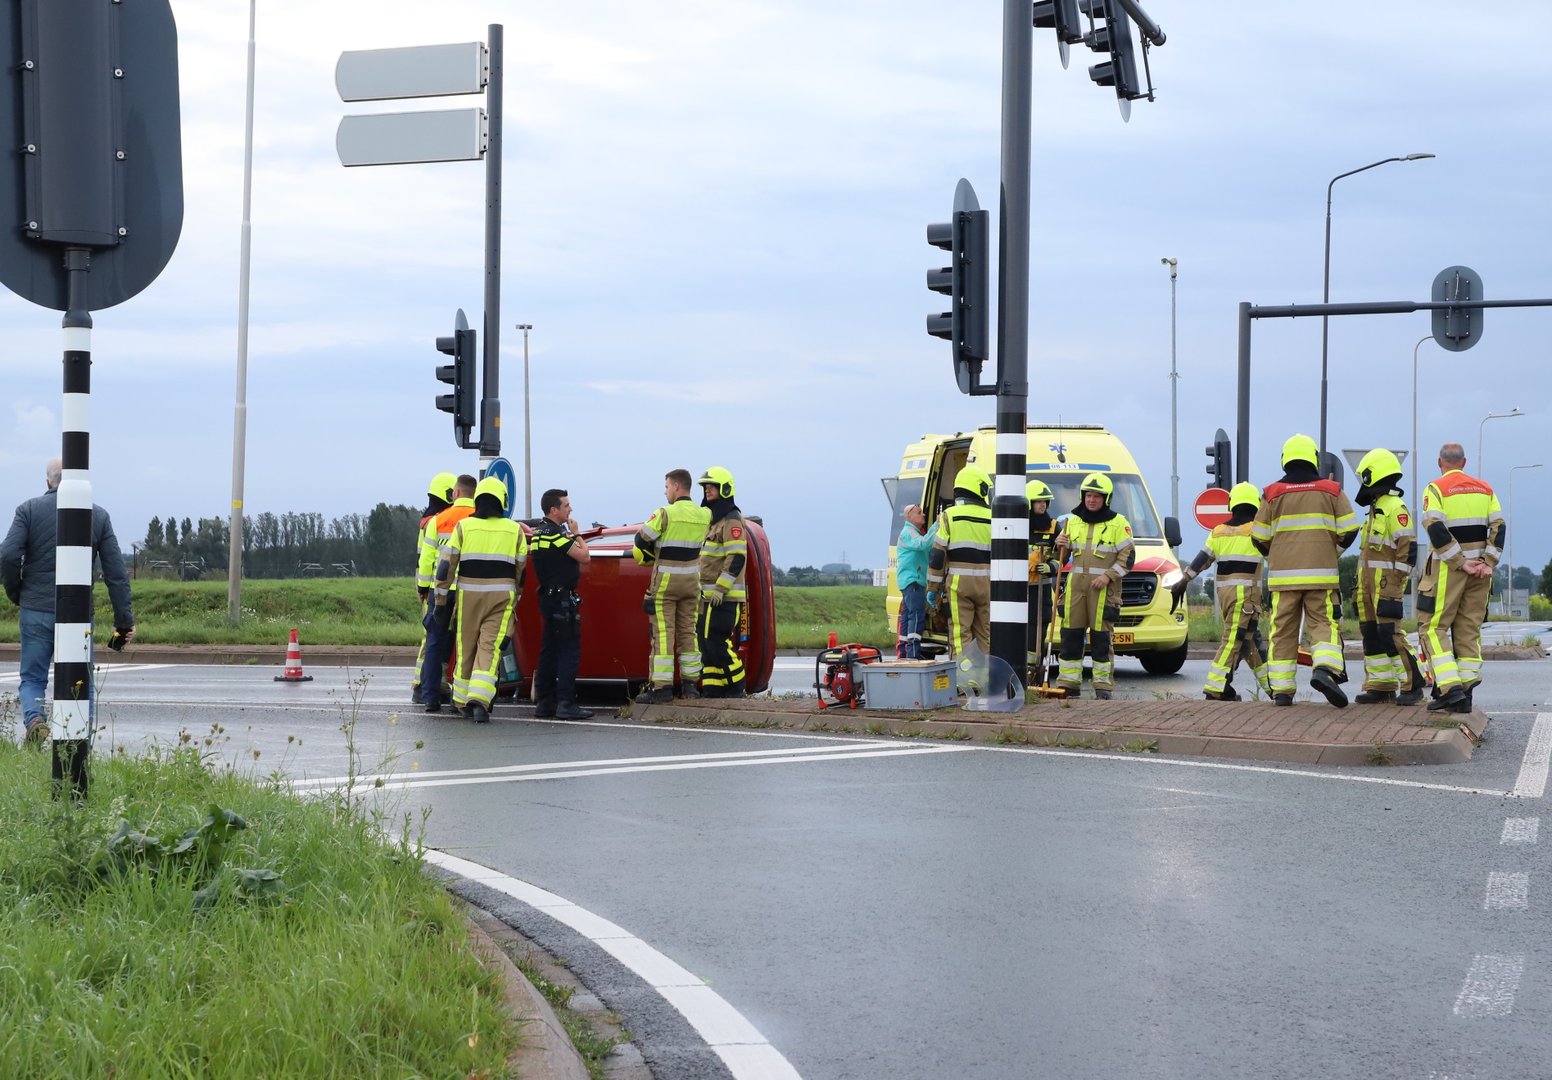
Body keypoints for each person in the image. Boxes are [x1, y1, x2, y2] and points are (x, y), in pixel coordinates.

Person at [1, 458, 135, 743]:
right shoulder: (98, 516)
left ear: (48, 482)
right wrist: (124, 622)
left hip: (36, 609)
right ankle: (79, 742)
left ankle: (35, 719)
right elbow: (116, 574)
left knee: (33, 678)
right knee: (80, 680)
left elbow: (8, 555)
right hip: (77, 614)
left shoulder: (28, 510)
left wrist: (18, 593)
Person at [1251, 434, 1358, 707]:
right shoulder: (1331, 490)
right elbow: (1349, 530)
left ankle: (1284, 692)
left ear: (1285, 459)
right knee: (1323, 624)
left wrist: (1277, 556)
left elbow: (1258, 538)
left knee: (1282, 631)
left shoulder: (1271, 493)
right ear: (1313, 458)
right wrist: (1331, 552)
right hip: (1321, 576)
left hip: (1283, 579)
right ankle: (1323, 670)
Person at [430, 476, 527, 724]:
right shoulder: (514, 530)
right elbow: (520, 571)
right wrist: (515, 598)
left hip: (468, 595)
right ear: (501, 500)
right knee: (489, 648)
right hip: (501, 597)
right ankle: (480, 702)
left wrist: (440, 602)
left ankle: (461, 700)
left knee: (466, 647)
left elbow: (445, 568)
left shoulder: (464, 527)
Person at [1417, 442, 1503, 713]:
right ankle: (1464, 696)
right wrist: (1488, 561)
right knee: (1468, 629)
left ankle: (1449, 687)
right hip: (1481, 570)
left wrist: (1459, 561)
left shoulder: (1436, 488)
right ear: (1464, 463)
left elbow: (1435, 526)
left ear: (1439, 462)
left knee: (1432, 627)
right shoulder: (1485, 489)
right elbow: (1498, 526)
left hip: (1448, 570)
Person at [1169, 481, 1270, 701]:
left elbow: (1201, 560)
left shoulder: (1218, 532)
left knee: (1250, 642)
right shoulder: (1257, 531)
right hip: (1247, 600)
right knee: (1233, 640)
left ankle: (1273, 688)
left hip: (1226, 599)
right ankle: (1215, 687)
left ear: (1232, 504)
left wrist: (1184, 580)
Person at [1352, 448, 1426, 706]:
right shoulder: (1375, 509)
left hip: (1386, 585)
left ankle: (1413, 684)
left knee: (1390, 633)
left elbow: (1408, 549)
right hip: (1367, 586)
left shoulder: (1395, 507)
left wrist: (1396, 583)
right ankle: (1380, 685)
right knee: (1370, 634)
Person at [633, 469, 711, 704]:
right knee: (689, 633)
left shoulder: (665, 513)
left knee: (663, 634)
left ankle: (662, 688)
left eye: (666, 486)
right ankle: (690, 686)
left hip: (666, 583)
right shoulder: (704, 514)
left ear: (677, 487)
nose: (665, 491)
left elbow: (641, 538)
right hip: (691, 582)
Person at [1054, 472, 1134, 700]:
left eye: (1097, 497)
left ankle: (1102, 687)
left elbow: (1127, 559)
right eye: (1088, 496)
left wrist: (1108, 576)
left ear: (1106, 499)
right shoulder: (1071, 521)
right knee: (1070, 636)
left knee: (1101, 639)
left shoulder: (1119, 524)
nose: (1091, 500)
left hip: (1103, 591)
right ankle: (1068, 684)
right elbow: (1059, 558)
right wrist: (1058, 543)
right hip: (1075, 590)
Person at [528, 487, 592, 720]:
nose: (570, 509)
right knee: (568, 651)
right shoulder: (555, 534)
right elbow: (584, 556)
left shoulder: (538, 534)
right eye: (566, 506)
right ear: (554, 510)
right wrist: (576, 534)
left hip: (548, 597)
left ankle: (545, 702)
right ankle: (566, 702)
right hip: (562, 599)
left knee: (549, 650)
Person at [419, 474, 477, 714]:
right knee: (465, 644)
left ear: (455, 493)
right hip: (469, 589)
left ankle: (430, 698)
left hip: (441, 590)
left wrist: (423, 588)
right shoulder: (478, 519)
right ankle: (460, 699)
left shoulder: (439, 520)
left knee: (434, 642)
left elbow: (427, 559)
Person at [927, 465, 993, 657]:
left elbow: (938, 555)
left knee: (960, 636)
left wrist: (933, 588)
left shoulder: (949, 516)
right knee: (985, 635)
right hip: (987, 584)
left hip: (958, 585)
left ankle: (965, 684)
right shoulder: (993, 517)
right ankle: (983, 681)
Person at [696, 467, 748, 697]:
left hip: (723, 598)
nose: (707, 489)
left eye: (712, 485)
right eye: (705, 486)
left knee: (716, 643)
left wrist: (720, 589)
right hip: (707, 598)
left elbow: (736, 557)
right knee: (705, 646)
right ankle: (713, 689)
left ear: (725, 488)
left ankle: (737, 686)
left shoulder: (731, 520)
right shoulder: (713, 521)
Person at [411, 471, 457, 705]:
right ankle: (421, 684)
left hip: (429, 585)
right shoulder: (436, 521)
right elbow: (427, 558)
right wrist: (425, 588)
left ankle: (432, 683)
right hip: (435, 586)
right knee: (432, 638)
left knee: (435, 637)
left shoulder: (430, 520)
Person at [1025, 479, 1060, 683]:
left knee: (1038, 631)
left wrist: (1051, 567)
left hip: (1042, 589)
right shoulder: (1016, 525)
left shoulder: (1054, 527)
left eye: (1045, 502)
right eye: (1038, 501)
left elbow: (1064, 556)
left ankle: (1035, 674)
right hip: (1020, 589)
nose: (1043, 505)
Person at [895, 502, 936, 660]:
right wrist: (937, 526)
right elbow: (923, 544)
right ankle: (913, 653)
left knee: (907, 616)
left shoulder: (912, 532)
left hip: (909, 580)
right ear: (909, 517)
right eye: (919, 513)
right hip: (914, 581)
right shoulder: (909, 532)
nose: (923, 515)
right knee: (916, 616)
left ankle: (904, 652)